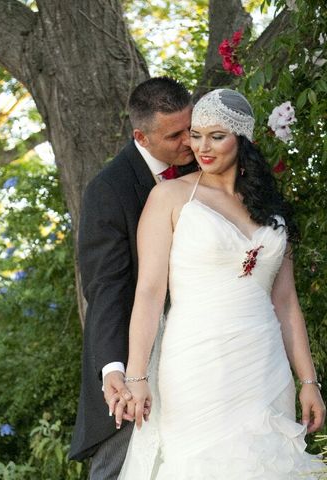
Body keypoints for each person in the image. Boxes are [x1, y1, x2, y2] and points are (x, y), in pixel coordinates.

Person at [118, 88, 326, 479]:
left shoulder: (271, 207)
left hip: (264, 364)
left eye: (216, 136)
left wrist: (308, 381)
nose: (202, 147)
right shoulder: (169, 197)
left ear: (242, 138)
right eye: (195, 135)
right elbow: (148, 293)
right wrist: (136, 376)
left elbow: (286, 303)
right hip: (197, 362)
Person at [69, 77, 196, 480]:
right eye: (174, 135)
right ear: (141, 135)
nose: (188, 143)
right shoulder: (109, 190)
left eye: (189, 129)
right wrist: (114, 370)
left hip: (199, 348)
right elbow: (106, 287)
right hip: (137, 352)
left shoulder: (207, 163)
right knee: (120, 463)